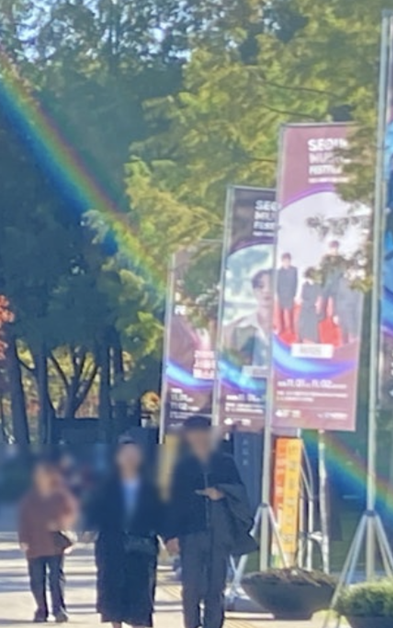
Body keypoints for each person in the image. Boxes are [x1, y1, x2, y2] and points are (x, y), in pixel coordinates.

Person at [164, 416, 254, 628]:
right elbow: (170, 503)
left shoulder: (224, 462)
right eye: (193, 434)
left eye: (202, 433)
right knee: (192, 587)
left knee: (216, 587)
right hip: (190, 532)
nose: (198, 438)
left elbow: (240, 493)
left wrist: (221, 492)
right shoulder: (180, 466)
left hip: (218, 530)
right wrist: (169, 535)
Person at [91, 441, 163, 628]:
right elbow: (94, 512)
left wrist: (170, 537)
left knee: (141, 595)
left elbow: (160, 515)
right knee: (113, 593)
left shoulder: (150, 487)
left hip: (142, 548)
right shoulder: (106, 485)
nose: (130, 459)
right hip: (112, 546)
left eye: (134, 454)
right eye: (126, 454)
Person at [17, 459, 78, 623]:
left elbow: (70, 513)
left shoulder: (60, 495)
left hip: (55, 544)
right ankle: (41, 610)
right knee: (37, 580)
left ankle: (59, 610)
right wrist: (23, 539)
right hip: (35, 545)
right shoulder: (29, 498)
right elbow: (23, 520)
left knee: (55, 578)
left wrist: (61, 524)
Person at [221, 269, 272, 371]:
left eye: (272, 286)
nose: (266, 291)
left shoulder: (295, 328)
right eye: (260, 286)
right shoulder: (233, 329)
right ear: (254, 291)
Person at [275, 253, 298, 337]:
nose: (286, 263)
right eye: (285, 261)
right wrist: (278, 294)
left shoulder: (294, 270)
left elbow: (295, 282)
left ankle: (291, 328)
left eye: (288, 261)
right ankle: (282, 328)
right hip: (281, 295)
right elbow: (277, 284)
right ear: (282, 261)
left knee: (290, 313)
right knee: (280, 313)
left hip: (290, 295)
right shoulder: (279, 272)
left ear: (290, 261)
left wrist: (294, 294)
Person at [297, 268, 322, 343]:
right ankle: (301, 341)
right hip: (304, 309)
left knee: (312, 328)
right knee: (302, 325)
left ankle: (315, 342)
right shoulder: (304, 285)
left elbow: (317, 299)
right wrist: (303, 301)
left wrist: (309, 303)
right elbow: (301, 297)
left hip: (312, 310)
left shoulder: (317, 286)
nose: (309, 279)